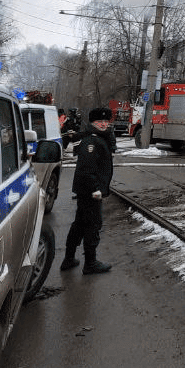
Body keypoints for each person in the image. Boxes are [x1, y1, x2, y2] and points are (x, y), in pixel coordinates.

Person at [61, 107, 115, 274]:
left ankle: (69, 259)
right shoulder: (92, 141)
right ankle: (90, 263)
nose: (104, 124)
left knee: (80, 223)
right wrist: (95, 189)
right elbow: (87, 168)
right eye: (100, 122)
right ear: (93, 123)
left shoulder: (98, 138)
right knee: (92, 225)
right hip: (90, 192)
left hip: (87, 190)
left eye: (106, 121)